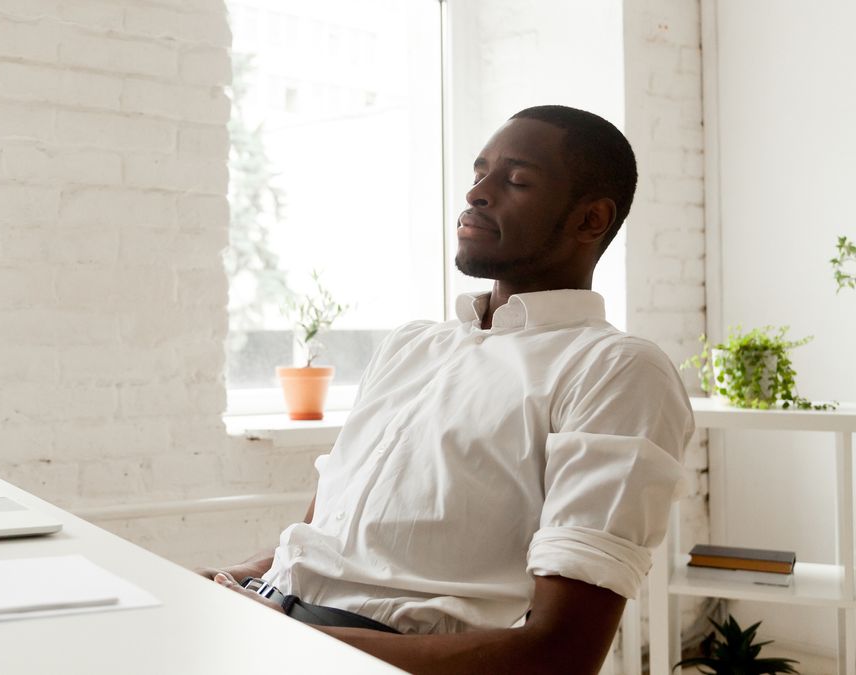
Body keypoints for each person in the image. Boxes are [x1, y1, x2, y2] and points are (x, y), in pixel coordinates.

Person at [199, 105, 695, 674]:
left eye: (516, 180)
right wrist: (222, 584)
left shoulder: (615, 370)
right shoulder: (411, 345)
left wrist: (286, 639)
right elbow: (324, 543)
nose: (478, 192)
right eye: (479, 171)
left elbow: (560, 654)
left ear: (590, 221)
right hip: (268, 621)